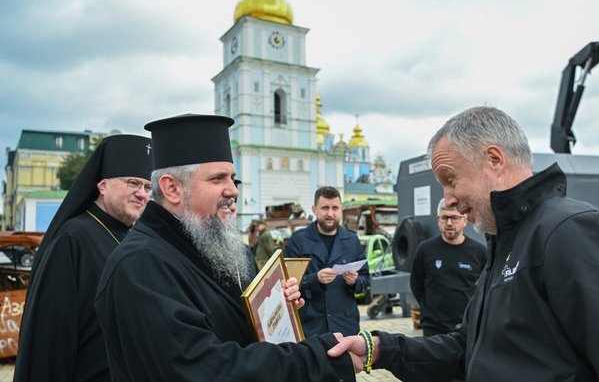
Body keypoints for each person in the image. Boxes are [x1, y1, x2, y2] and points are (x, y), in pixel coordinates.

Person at [329, 106, 599, 381]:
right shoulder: (505, 243)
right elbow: (469, 348)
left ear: (494, 160)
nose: (448, 200)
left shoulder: (571, 232)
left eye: (450, 180)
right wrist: (380, 348)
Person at [93, 114, 355, 382]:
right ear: (172, 188)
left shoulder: (214, 245)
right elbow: (204, 370)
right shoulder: (139, 266)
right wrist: (316, 357)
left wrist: (278, 310)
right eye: (218, 179)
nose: (234, 191)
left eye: (232, 177)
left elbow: (239, 330)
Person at [14, 134, 153, 382]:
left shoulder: (131, 237)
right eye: (132, 183)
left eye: (147, 187)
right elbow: (52, 336)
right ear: (102, 185)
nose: (142, 194)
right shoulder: (72, 239)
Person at [284, 186, 370, 337]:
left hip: (345, 325)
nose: (330, 213)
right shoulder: (298, 241)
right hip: (310, 326)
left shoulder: (352, 241)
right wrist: (315, 279)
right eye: (325, 208)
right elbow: (286, 284)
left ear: (341, 209)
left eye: (335, 208)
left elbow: (366, 280)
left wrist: (355, 281)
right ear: (314, 209)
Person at [410, 198, 486, 337]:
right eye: (444, 218)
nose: (449, 223)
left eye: (454, 218)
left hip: (467, 328)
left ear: (465, 220)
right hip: (434, 329)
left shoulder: (480, 253)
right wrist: (430, 310)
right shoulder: (425, 250)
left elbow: (485, 291)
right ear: (438, 220)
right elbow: (416, 284)